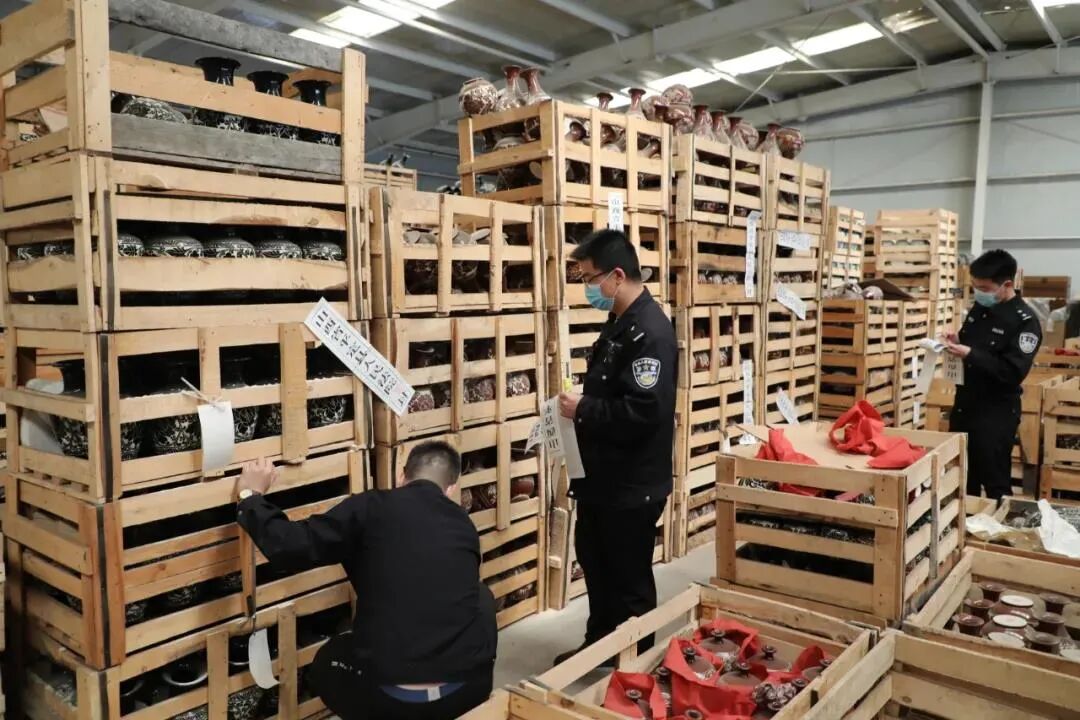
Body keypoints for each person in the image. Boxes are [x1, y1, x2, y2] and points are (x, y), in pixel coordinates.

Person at [235, 444, 496, 720]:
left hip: (390, 703)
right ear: (451, 489)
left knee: (327, 662)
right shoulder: (464, 524)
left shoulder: (370, 507)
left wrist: (250, 497)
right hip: (467, 692)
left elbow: (292, 547)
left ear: (401, 477)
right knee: (481, 596)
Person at [553, 229, 677, 665]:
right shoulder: (621, 325)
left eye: (591, 278)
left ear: (617, 275)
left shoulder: (651, 333)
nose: (589, 288)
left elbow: (645, 412)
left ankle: (635, 662)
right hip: (603, 480)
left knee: (628, 579)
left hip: (631, 484)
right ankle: (600, 647)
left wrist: (584, 408)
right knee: (598, 564)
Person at [944, 249, 1042, 500]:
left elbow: (1012, 372)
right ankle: (964, 524)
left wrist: (970, 354)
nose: (979, 293)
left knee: (995, 481)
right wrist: (958, 342)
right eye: (975, 287)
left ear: (1007, 285)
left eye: (985, 288)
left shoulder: (1025, 322)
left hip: (995, 414)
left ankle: (997, 524)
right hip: (965, 406)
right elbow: (972, 343)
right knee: (962, 478)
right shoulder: (981, 308)